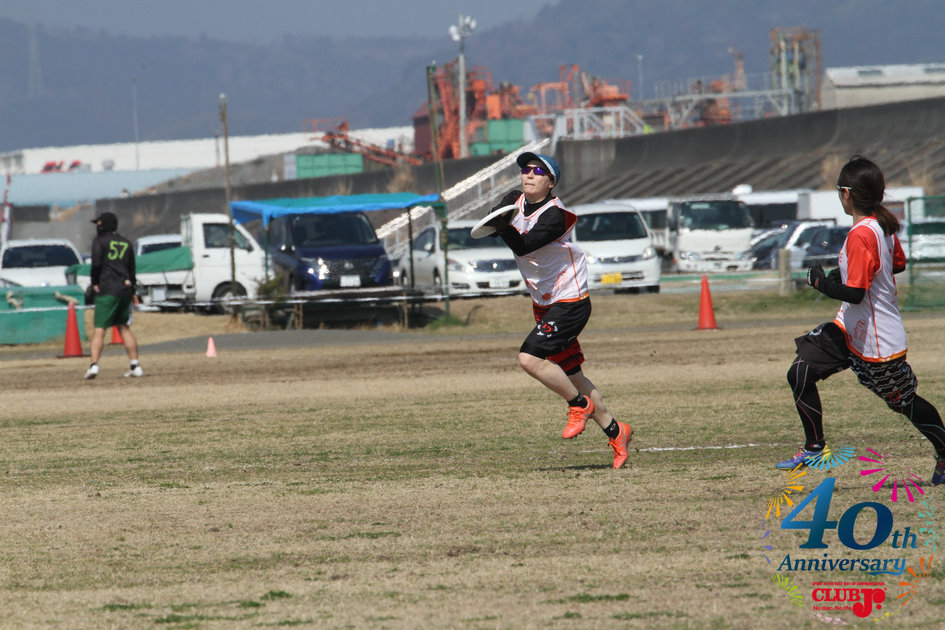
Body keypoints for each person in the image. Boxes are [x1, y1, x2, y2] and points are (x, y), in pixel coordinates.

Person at [777, 156, 945, 486]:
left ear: (847, 194)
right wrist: (844, 273)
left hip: (877, 343)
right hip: (849, 328)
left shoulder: (863, 233)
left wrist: (820, 282)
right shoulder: (880, 225)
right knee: (800, 372)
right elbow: (895, 265)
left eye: (839, 190)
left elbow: (855, 293)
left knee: (904, 404)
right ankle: (815, 448)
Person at [485, 152, 632, 469]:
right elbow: (491, 223)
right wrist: (498, 222)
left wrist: (501, 225)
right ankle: (617, 431)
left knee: (529, 358)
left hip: (570, 301)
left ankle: (578, 406)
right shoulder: (513, 200)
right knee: (574, 375)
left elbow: (524, 244)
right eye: (526, 169)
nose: (529, 174)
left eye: (538, 171)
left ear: (551, 182)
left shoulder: (557, 215)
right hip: (544, 304)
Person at [84, 211, 144, 379]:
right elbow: (132, 270)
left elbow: (96, 264)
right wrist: (133, 291)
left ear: (103, 225)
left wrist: (95, 282)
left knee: (100, 329)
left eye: (98, 224)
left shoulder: (99, 241)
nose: (97, 227)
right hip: (125, 290)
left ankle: (94, 366)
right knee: (124, 327)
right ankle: (135, 365)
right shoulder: (126, 242)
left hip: (108, 289)